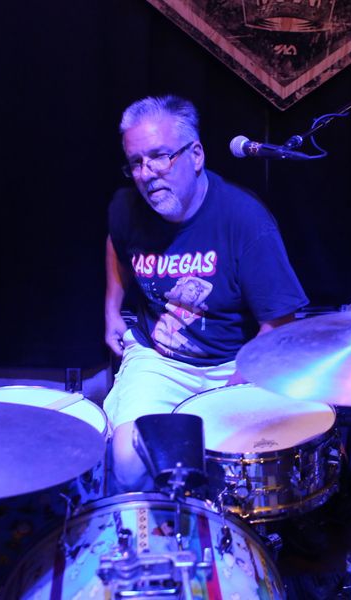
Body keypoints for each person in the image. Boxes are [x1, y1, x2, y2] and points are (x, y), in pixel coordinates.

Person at [103, 95, 308, 490]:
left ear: (195, 155)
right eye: (136, 162)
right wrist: (111, 308)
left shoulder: (245, 220)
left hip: (233, 363)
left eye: (160, 157)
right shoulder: (127, 207)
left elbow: (280, 320)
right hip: (159, 359)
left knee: (230, 471)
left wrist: (233, 389)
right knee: (128, 464)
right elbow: (116, 240)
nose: (146, 174)